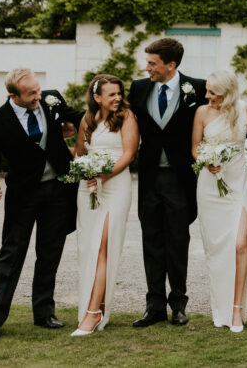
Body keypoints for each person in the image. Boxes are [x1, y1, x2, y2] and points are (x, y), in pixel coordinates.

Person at [0, 68, 83, 340]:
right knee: (11, 255)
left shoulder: (51, 100)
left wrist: (79, 128)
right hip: (23, 196)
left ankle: (44, 313)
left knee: (50, 253)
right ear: (13, 95)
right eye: (31, 93)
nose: (38, 96)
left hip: (58, 191)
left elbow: (83, 119)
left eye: (38, 89)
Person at [128, 37, 206, 328]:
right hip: (149, 178)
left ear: (171, 65)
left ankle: (179, 304)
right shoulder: (138, 88)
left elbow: (217, 118)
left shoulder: (197, 88)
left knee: (177, 241)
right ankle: (154, 307)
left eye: (152, 63)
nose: (147, 68)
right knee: (151, 242)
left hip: (180, 178)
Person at [191, 70, 247, 332]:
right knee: (216, 250)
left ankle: (237, 310)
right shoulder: (202, 113)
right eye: (207, 91)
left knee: (239, 245)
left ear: (228, 92)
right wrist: (206, 161)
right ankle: (221, 308)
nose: (207, 96)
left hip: (237, 185)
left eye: (213, 92)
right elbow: (195, 148)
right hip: (209, 186)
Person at [72, 75, 138, 336]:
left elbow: (129, 153)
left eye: (119, 93)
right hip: (88, 189)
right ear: (97, 97)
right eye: (111, 94)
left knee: (104, 246)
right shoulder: (87, 120)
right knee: (89, 248)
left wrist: (103, 175)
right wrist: (86, 172)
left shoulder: (127, 116)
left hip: (116, 186)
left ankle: (93, 312)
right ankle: (94, 306)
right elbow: (79, 152)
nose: (117, 98)